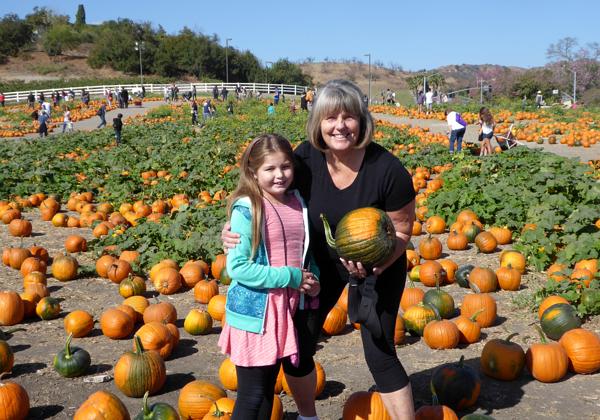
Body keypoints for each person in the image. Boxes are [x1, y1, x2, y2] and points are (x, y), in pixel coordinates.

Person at [223, 80, 417, 419]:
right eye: (330, 117)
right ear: (318, 123)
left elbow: (402, 229)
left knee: (380, 351)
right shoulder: (305, 159)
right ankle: (308, 415)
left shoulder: (387, 170)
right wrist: (236, 228)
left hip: (377, 266)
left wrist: (378, 265)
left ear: (362, 121)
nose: (340, 125)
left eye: (349, 117)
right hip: (319, 268)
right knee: (300, 345)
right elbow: (266, 195)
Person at [218, 133, 320, 419]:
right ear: (253, 171)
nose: (279, 175)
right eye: (270, 169)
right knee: (252, 396)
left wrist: (312, 280)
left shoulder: (298, 202)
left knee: (266, 395)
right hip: (257, 313)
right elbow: (237, 267)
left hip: (286, 312)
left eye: (285, 167)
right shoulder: (248, 208)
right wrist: (291, 277)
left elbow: (305, 251)